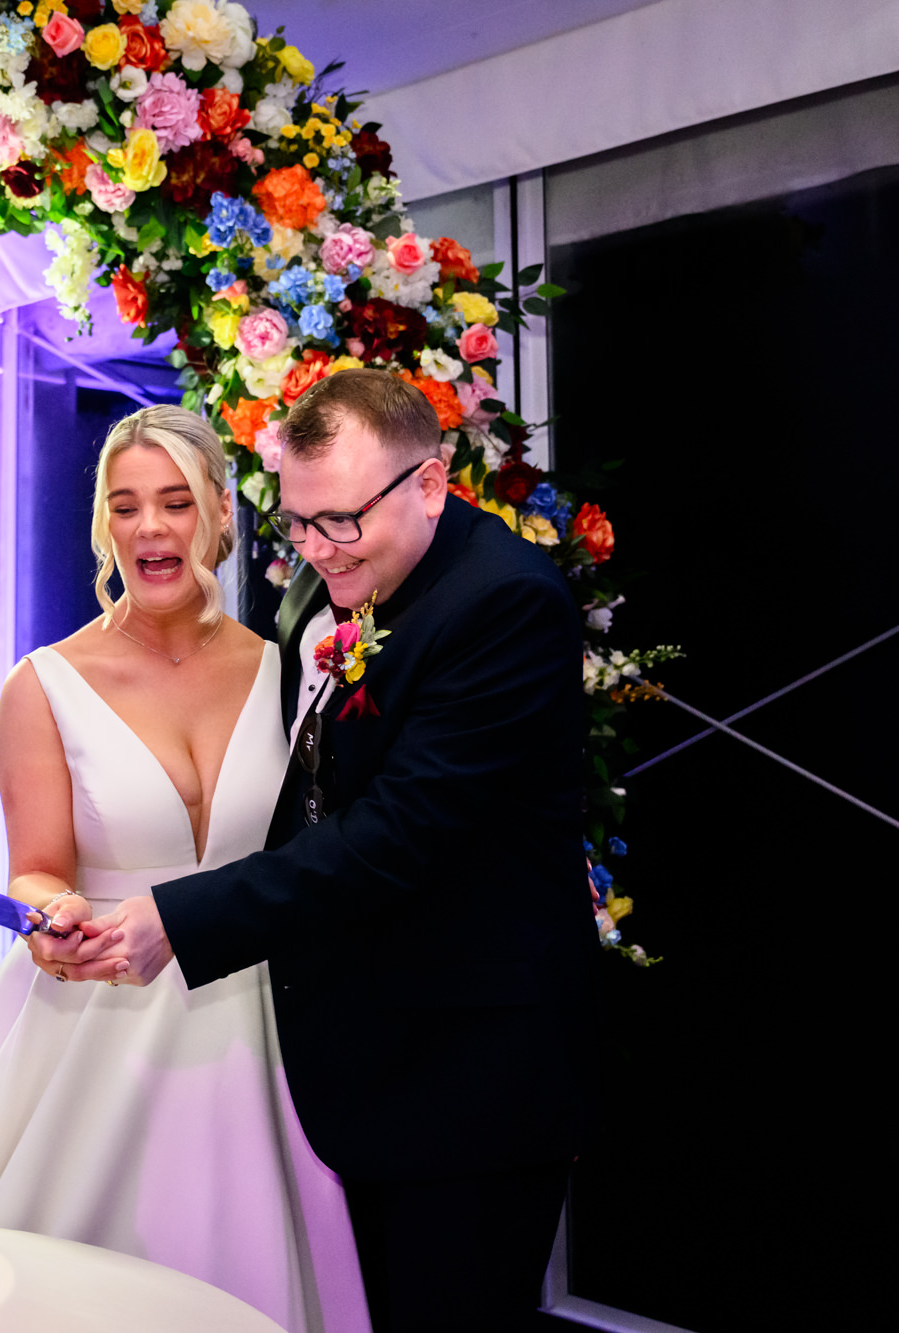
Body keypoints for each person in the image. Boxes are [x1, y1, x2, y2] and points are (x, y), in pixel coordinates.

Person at [71, 370, 600, 1331]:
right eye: (301, 523)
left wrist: (181, 917)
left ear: (430, 484)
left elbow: (395, 837)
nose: (316, 550)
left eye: (342, 522)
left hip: (471, 1066)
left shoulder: (504, 605)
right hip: (358, 1055)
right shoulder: (330, 579)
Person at [0, 405, 371, 1333]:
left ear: (220, 512)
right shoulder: (42, 682)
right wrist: (53, 924)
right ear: (104, 525)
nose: (150, 529)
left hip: (260, 1024)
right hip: (99, 1023)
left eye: (174, 503)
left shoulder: (291, 667)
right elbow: (36, 868)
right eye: (125, 507)